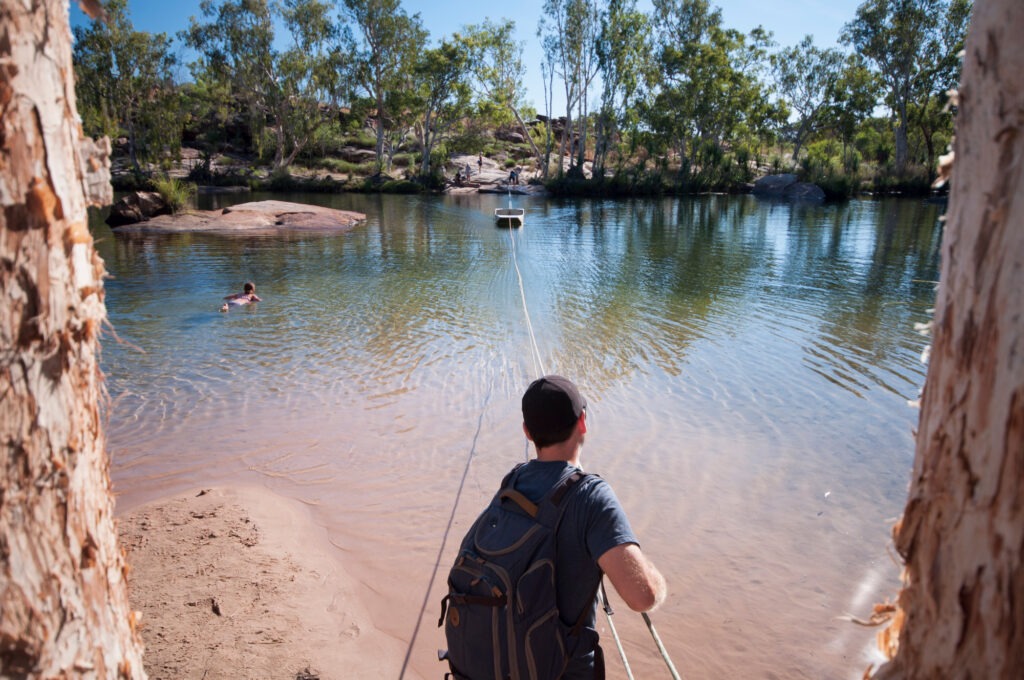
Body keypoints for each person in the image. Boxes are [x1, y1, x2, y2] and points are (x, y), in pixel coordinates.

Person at [513, 375, 667, 678]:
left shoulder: (512, 481)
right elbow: (643, 597)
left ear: (527, 432)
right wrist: (659, 585)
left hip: (504, 661)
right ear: (583, 422)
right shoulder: (591, 497)